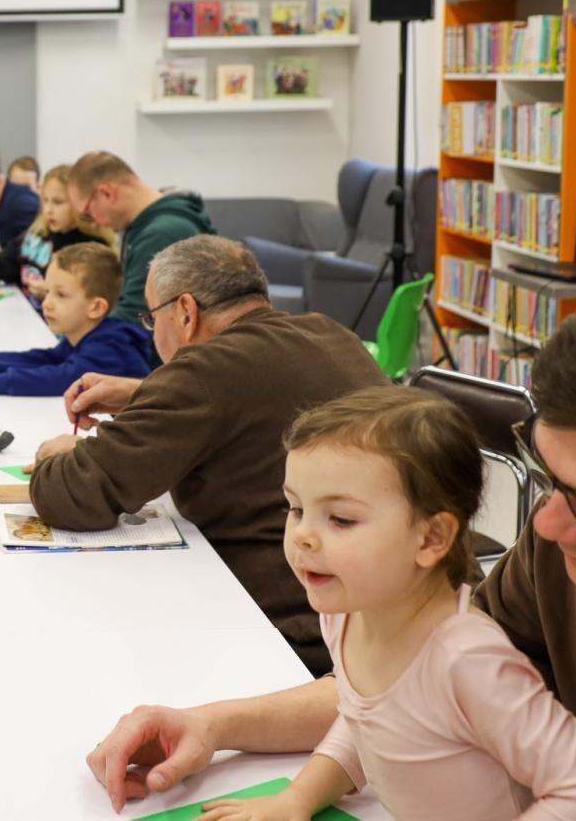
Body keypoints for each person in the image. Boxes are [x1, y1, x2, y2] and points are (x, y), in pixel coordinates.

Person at [84, 272, 576, 820]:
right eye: (550, 477)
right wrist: (215, 724)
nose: (548, 524)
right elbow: (407, 684)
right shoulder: (568, 549)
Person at [196, 387, 576, 821]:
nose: (303, 535)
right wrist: (298, 799)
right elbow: (364, 723)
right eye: (295, 508)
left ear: (431, 538)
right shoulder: (344, 616)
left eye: (341, 519)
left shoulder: (469, 661)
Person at [30, 237, 385, 673]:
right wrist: (147, 392)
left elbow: (73, 494)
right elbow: (260, 396)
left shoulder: (202, 371)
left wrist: (62, 453)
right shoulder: (329, 332)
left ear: (184, 311)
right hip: (391, 610)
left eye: (150, 317)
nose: (151, 330)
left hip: (297, 634)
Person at [0, 244, 150, 397]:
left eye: (61, 295)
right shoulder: (85, 336)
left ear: (96, 307)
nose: (47, 303)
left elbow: (60, 378)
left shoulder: (111, 346)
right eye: (47, 292)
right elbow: (39, 360)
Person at [64, 151, 213, 326]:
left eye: (88, 214)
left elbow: (134, 320)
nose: (94, 224)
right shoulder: (144, 225)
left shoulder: (159, 234)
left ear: (106, 193)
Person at [0, 163, 114, 302]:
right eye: (45, 201)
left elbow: (89, 303)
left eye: (58, 202)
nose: (48, 210)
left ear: (79, 203)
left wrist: (52, 294)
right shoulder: (37, 234)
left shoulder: (91, 247)